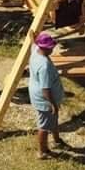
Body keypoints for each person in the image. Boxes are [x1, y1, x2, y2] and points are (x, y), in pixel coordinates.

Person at [28, 31, 68, 159]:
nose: (52, 50)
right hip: (45, 100)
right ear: (45, 48)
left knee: (54, 118)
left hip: (38, 93)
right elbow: (46, 89)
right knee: (44, 126)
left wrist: (33, 38)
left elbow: (33, 44)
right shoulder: (44, 66)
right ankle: (42, 151)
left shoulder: (35, 51)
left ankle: (57, 140)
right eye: (51, 48)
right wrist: (52, 104)